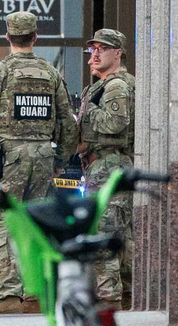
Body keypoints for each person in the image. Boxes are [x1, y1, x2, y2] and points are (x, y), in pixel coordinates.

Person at [0, 11, 78, 315]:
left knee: (4, 222)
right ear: (35, 38)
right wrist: (60, 159)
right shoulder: (51, 73)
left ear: (7, 37)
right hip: (43, 156)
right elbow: (68, 123)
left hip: (10, 157)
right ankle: (35, 293)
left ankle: (8, 296)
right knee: (36, 223)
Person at [78, 29, 135, 308]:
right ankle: (124, 294)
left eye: (103, 48)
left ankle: (110, 297)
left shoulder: (116, 86)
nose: (96, 54)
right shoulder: (102, 85)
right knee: (117, 233)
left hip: (109, 165)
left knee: (104, 232)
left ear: (118, 53)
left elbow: (115, 124)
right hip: (102, 165)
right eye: (93, 49)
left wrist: (87, 111)